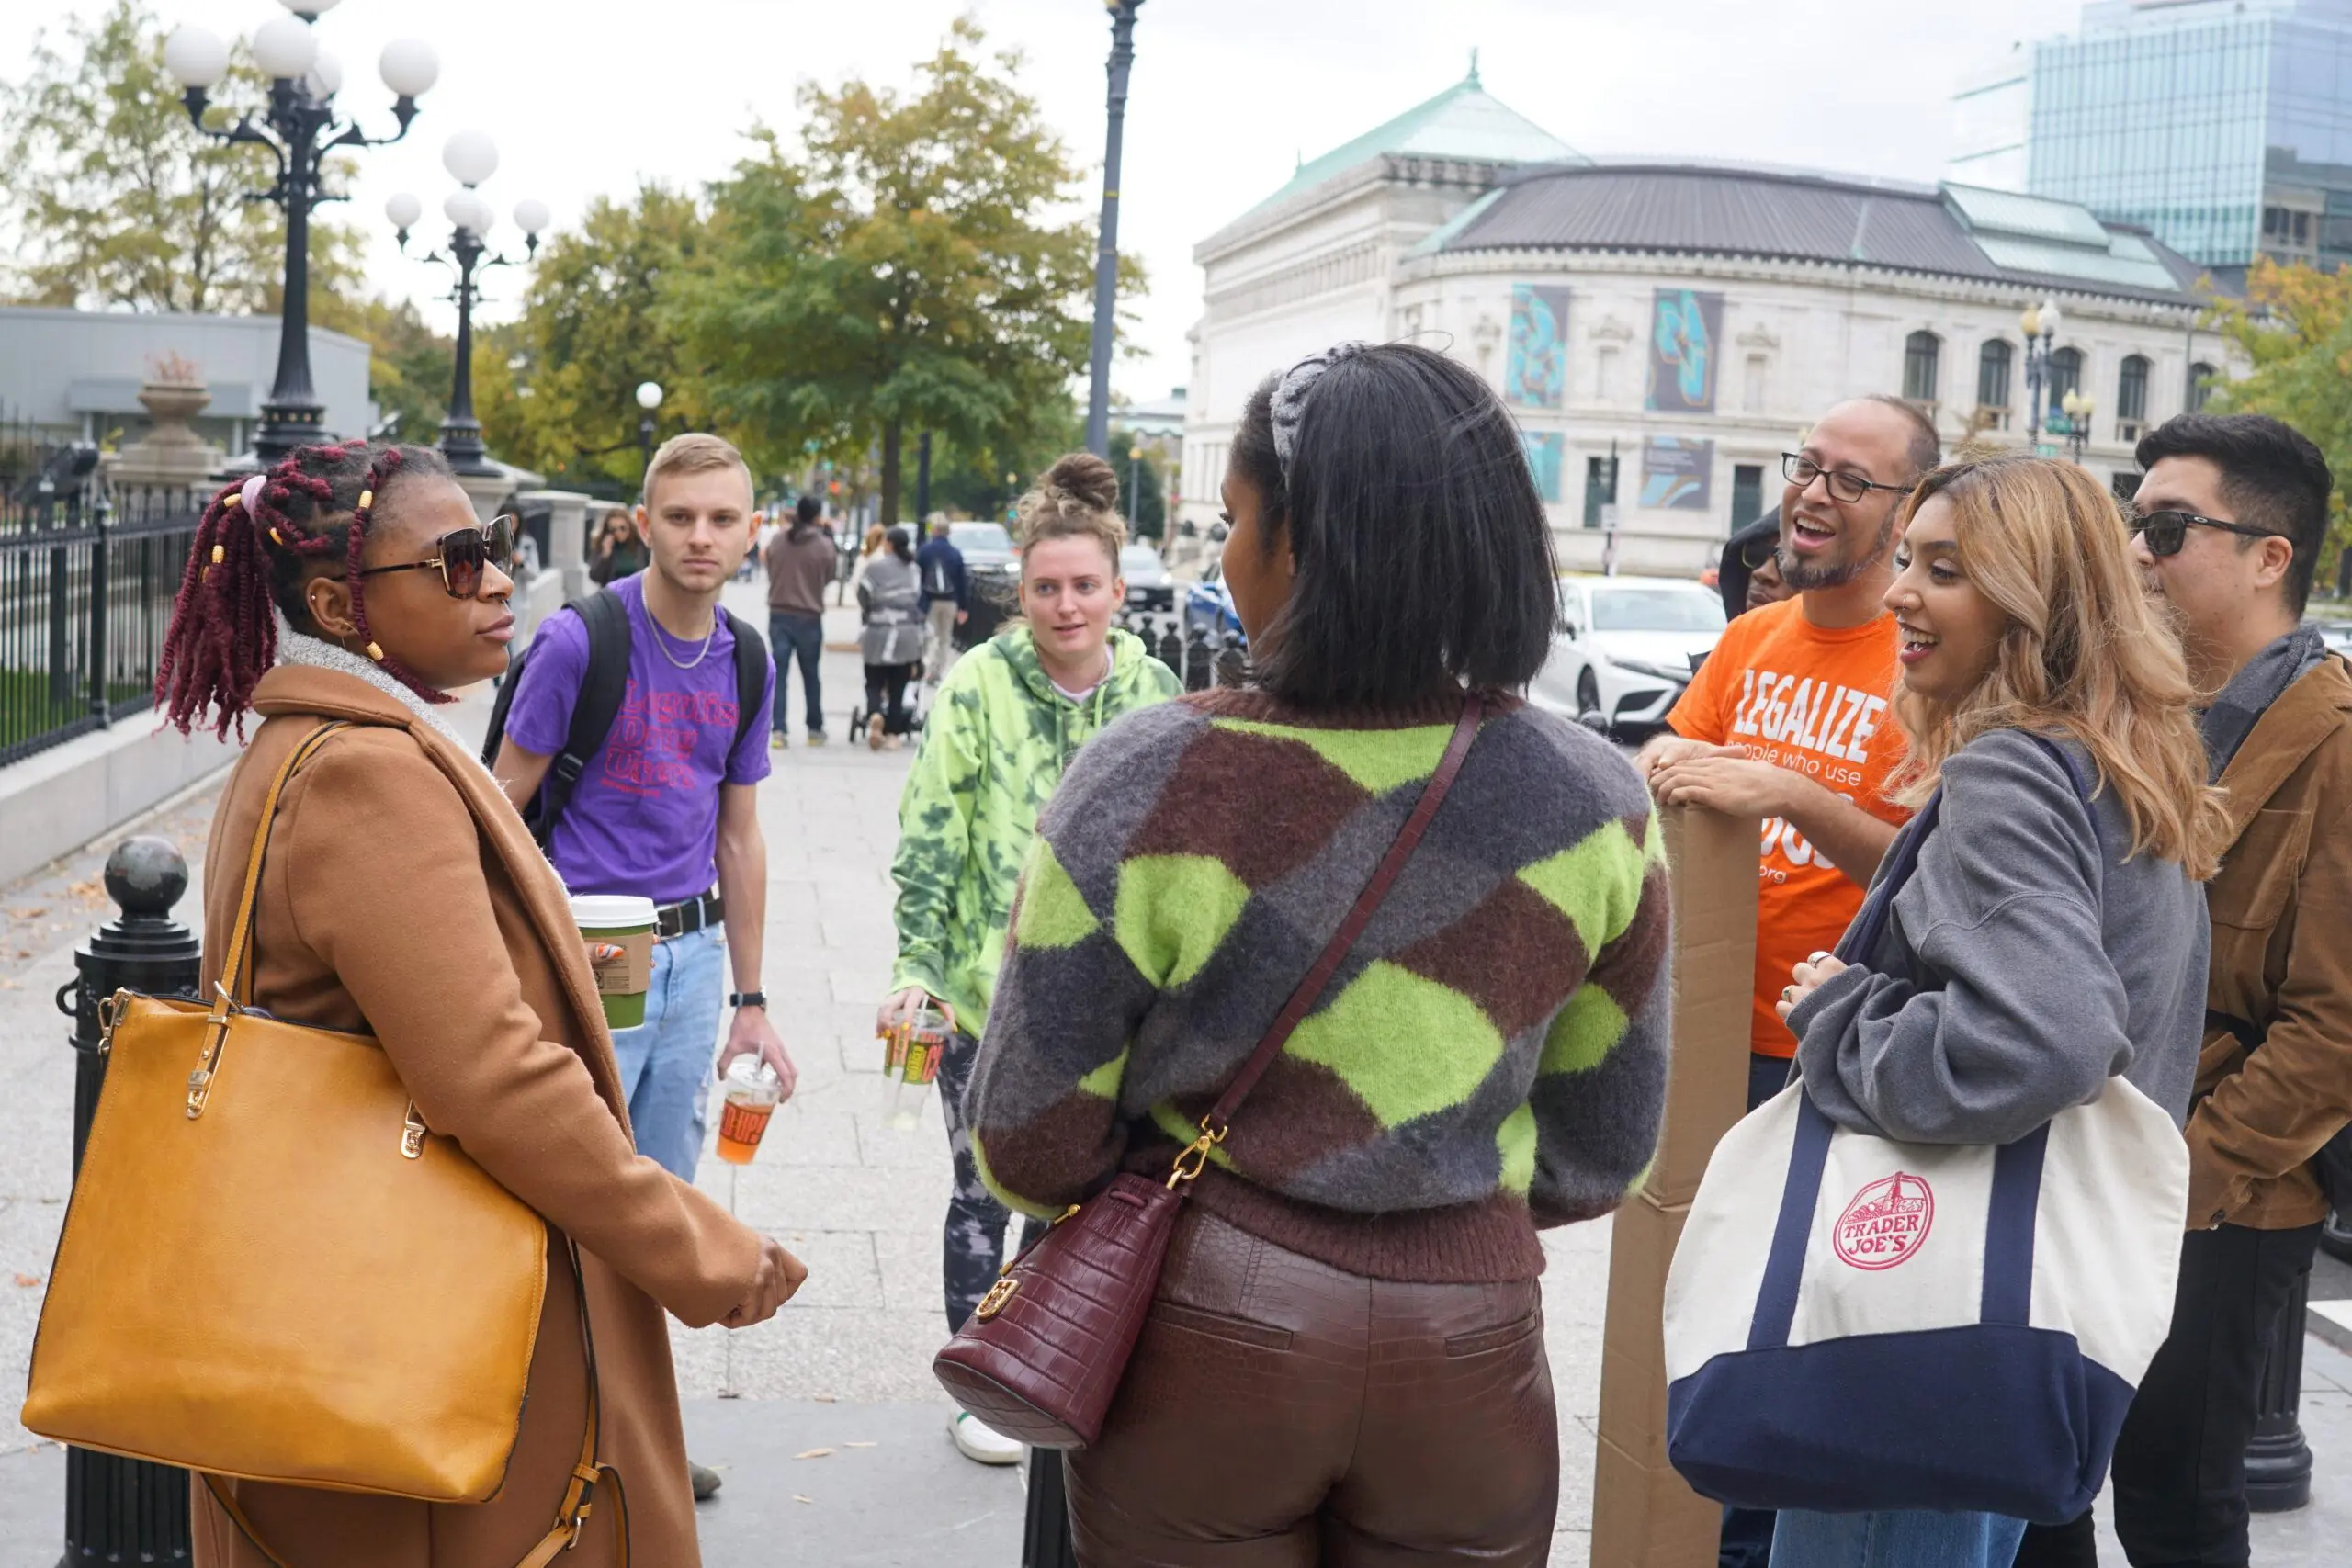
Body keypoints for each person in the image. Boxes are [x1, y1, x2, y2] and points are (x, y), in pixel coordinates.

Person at [964, 343, 1671, 1564]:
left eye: (1237, 520)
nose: (1226, 556)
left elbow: (1028, 1137)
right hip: (1472, 1353)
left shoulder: (1150, 776)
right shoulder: (1593, 800)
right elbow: (1604, 1146)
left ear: (1304, 545)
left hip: (1203, 1342)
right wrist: (1428, 1176)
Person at [154, 440, 804, 1566]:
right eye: (457, 562)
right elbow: (489, 1077)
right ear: (337, 605)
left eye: (494, 547)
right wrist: (700, 1251)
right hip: (412, 1322)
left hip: (353, 1303)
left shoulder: (313, 742)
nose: (499, 579)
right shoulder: (365, 772)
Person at [1767, 454, 2220, 1568]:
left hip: (1925, 1313)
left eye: (1945, 570)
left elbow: (2043, 1040)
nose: (1897, 594)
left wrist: (1842, 1014)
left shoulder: (2009, 776)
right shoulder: (2118, 768)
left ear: (2035, 602)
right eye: (1908, 561)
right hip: (2023, 1298)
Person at [1645, 396, 1934, 1568]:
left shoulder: (1922, 659)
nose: (1811, 494)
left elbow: (1933, 875)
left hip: (1830, 1058)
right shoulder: (1751, 638)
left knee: (1793, 1341)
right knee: (1702, 1323)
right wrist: (1668, 757)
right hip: (1709, 1040)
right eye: (1806, 467)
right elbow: (1676, 751)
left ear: (1908, 512)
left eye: (1849, 480)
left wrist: (1793, 795)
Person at [491, 433, 795, 1505]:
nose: (701, 537)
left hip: (696, 953)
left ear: (752, 529)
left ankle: (635, 1432)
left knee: (661, 1204)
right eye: (680, 516)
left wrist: (751, 1001)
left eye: (723, 518)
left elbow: (739, 836)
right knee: (575, 1188)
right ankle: (533, 1429)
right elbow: (499, 808)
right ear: (641, 523)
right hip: (591, 948)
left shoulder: (748, 658)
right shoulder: (581, 640)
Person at [876, 452, 1179, 1468]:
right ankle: (979, 1379)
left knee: (1090, 1195)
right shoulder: (976, 686)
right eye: (1046, 587)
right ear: (1022, 591)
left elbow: (1180, 845)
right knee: (982, 1190)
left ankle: (1056, 1366)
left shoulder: (1156, 691)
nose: (1066, 605)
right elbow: (931, 837)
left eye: (1085, 585)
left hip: (1116, 1003)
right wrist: (917, 969)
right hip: (985, 999)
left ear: (1118, 591)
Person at [2091, 413, 2352, 1568]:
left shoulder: (2335, 742)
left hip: (2225, 1194)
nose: (2136, 552)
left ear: (2266, 556)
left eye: (2167, 528)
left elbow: (2333, 1030)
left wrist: (2181, 1177)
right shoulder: (2131, 710)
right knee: (2042, 1486)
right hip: (2080, 1154)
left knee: (2175, 1505)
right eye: (2132, 521)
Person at [764, 493, 833, 749]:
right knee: (811, 674)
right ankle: (814, 729)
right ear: (817, 517)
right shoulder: (824, 545)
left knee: (779, 674)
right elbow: (829, 575)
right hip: (809, 615)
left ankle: (778, 730)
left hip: (779, 613)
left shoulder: (778, 541)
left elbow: (770, 566)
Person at [857, 525, 925, 750]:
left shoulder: (874, 568)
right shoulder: (913, 570)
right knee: (899, 685)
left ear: (889, 544)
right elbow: (918, 598)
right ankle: (894, 733)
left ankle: (875, 714)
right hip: (906, 633)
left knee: (873, 681)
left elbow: (863, 594)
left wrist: (869, 612)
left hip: (878, 630)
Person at [916, 514, 969, 685]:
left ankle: (925, 667)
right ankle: (937, 671)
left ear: (934, 530)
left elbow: (918, 576)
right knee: (945, 638)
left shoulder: (925, 550)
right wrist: (963, 607)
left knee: (929, 635)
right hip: (950, 601)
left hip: (929, 600)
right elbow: (962, 582)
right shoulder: (955, 553)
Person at [589, 510, 648, 585]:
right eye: (613, 529)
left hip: (637, 589)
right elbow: (595, 576)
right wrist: (605, 555)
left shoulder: (640, 544)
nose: (618, 532)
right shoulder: (603, 545)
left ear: (629, 526)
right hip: (613, 591)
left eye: (622, 528)